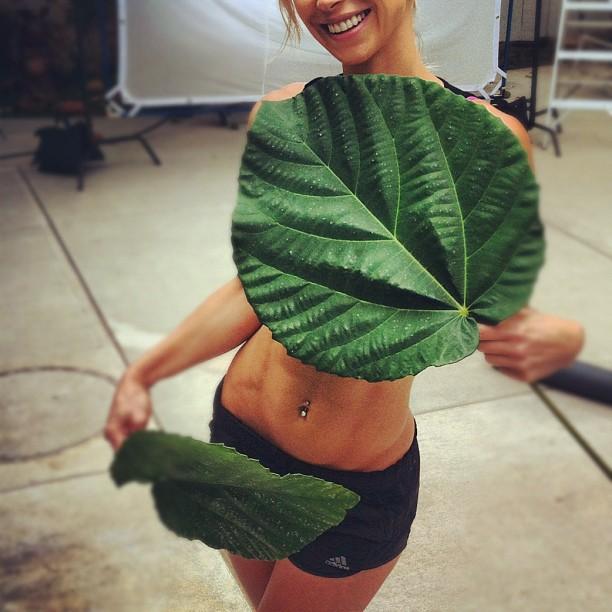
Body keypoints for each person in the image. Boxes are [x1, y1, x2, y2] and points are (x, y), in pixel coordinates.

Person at [104, 2, 585, 610]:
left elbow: (489, 311)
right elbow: (257, 288)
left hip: (355, 483)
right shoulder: (283, 118)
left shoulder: (487, 140)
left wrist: (555, 338)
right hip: (241, 437)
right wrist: (144, 373)